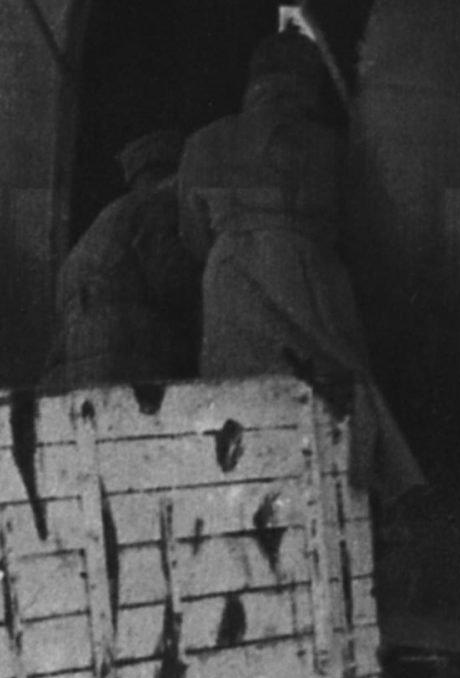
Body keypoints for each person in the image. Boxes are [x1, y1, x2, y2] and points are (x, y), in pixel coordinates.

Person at [176, 30, 427, 503]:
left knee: (240, 395)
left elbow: (192, 237)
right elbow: (365, 233)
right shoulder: (336, 146)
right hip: (313, 274)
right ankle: (361, 498)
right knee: (338, 393)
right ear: (309, 84)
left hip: (228, 282)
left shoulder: (204, 142)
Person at [45, 127, 199, 385]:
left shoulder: (109, 218)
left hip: (85, 356)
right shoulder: (157, 205)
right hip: (129, 354)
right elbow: (173, 279)